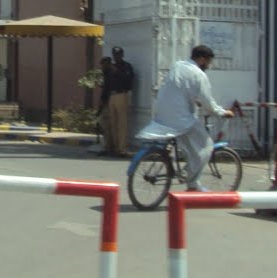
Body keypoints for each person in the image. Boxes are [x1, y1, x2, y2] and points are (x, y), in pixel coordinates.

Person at [153, 45, 234, 192]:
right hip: (180, 117)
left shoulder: (178, 65)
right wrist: (222, 112)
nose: (208, 66)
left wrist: (194, 100)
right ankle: (187, 174)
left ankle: (193, 184)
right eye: (208, 62)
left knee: (191, 147)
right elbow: (208, 102)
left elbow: (182, 89)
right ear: (202, 59)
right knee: (206, 146)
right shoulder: (199, 74)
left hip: (162, 111)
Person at [97, 46, 135, 156]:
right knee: (111, 123)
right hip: (111, 96)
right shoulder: (110, 68)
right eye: (115, 54)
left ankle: (122, 149)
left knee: (121, 123)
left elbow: (128, 82)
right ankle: (112, 147)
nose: (116, 56)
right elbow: (106, 85)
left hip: (121, 94)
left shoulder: (126, 66)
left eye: (118, 54)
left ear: (122, 55)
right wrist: (103, 99)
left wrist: (117, 72)